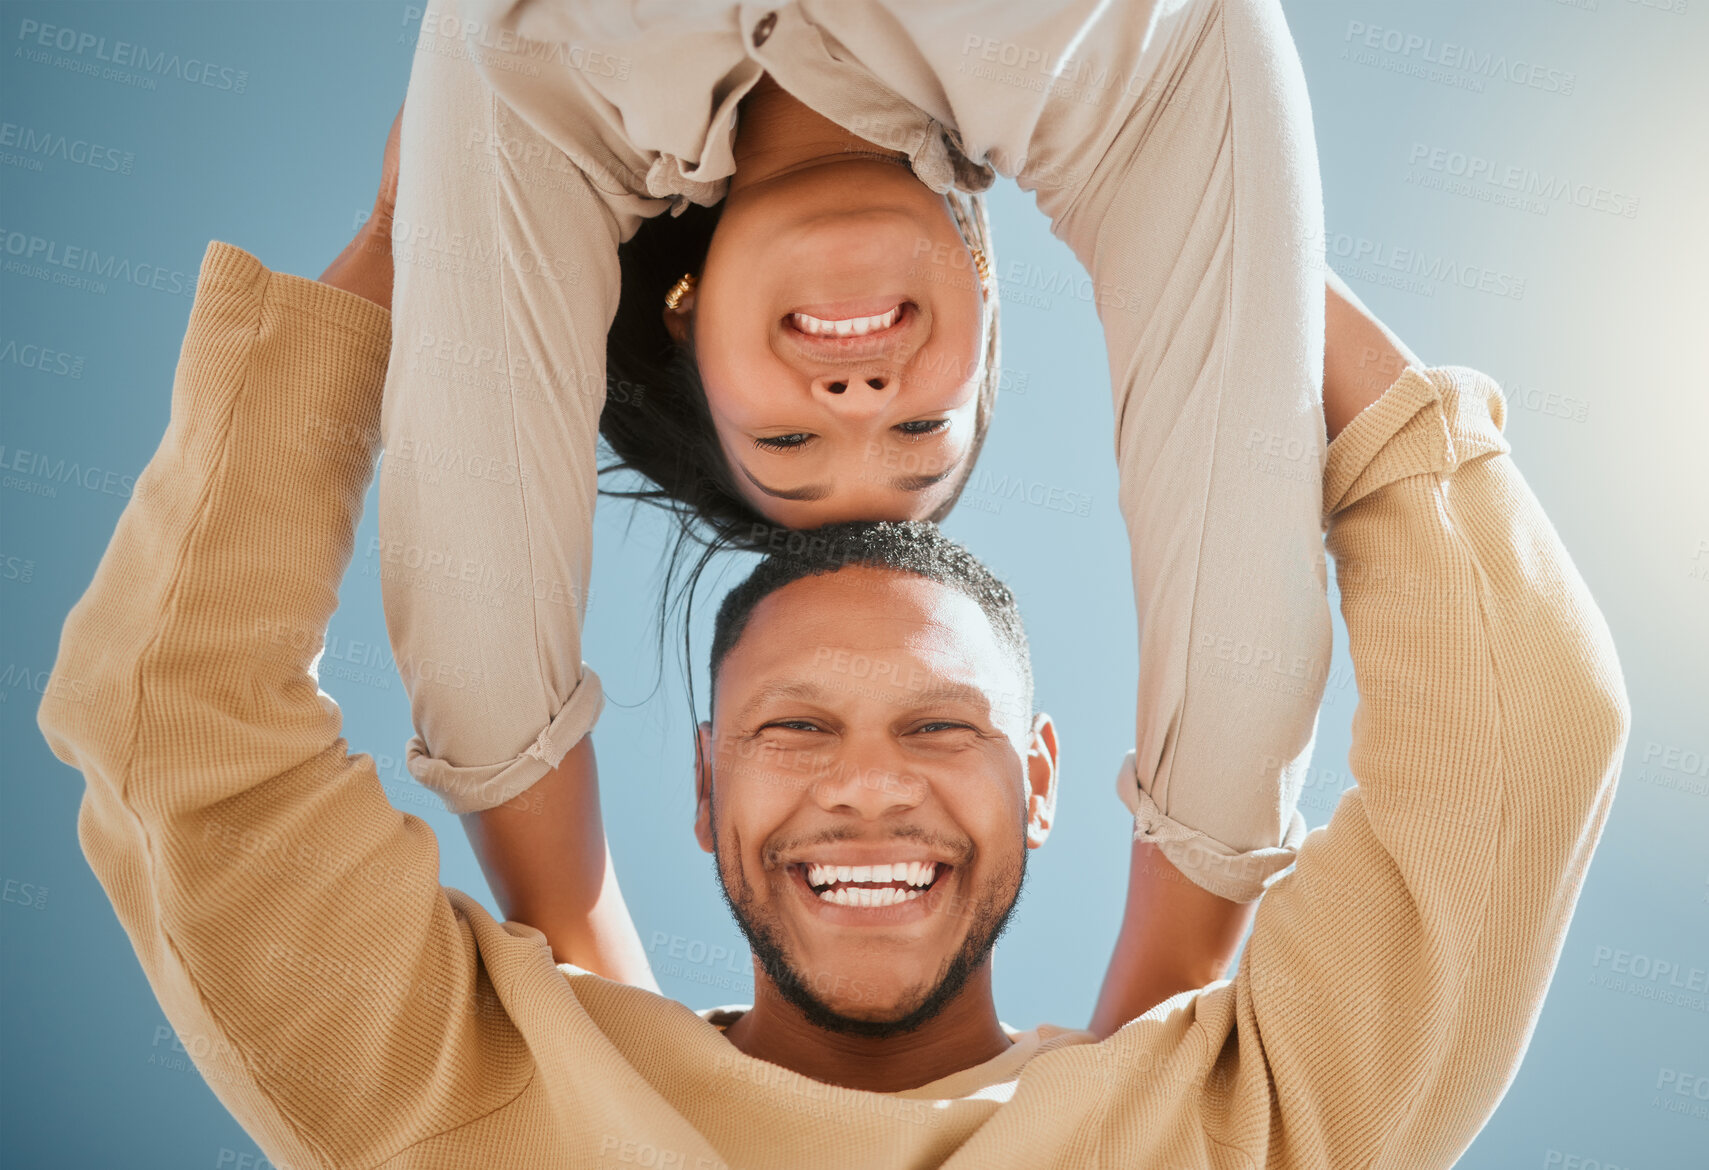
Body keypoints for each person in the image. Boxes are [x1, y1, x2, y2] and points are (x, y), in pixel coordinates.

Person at [38, 209, 1628, 1165]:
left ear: (1047, 779)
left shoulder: (1227, 1125)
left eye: (943, 727)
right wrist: (434, 215)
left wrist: (1204, 224)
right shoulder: (483, 1091)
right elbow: (178, 717)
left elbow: (1519, 746)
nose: (869, 783)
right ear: (709, 786)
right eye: (796, 729)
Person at [378, 0, 1337, 991]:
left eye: (786, 442)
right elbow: (1241, 602)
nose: (860, 397)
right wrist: (1146, 1043)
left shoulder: (549, 87)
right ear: (983, 302)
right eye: (920, 431)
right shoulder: (1102, 71)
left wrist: (627, 1055)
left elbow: (475, 631)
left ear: (686, 318)